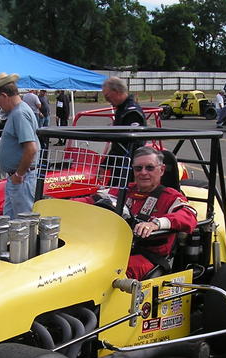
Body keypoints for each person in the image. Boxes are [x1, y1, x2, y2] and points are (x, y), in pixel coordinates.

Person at [75, 146, 197, 279]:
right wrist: (60, 204)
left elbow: (189, 216)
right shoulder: (124, 191)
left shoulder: (170, 197)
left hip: (147, 258)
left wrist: (155, 224)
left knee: (103, 274)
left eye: (149, 168)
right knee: (76, 264)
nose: (143, 172)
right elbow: (91, 200)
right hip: (115, 250)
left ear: (161, 170)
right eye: (138, 168)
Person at [0, 73, 39, 219]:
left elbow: (31, 149)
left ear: (4, 95)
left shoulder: (19, 114)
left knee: (21, 223)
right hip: (19, 177)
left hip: (22, 178)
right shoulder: (19, 112)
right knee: (13, 221)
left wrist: (18, 175)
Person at [101, 76, 146, 171]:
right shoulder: (121, 110)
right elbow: (118, 144)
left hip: (129, 165)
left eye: (107, 97)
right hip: (121, 163)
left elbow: (128, 145)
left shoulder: (131, 113)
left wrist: (106, 164)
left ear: (117, 91)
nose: (107, 100)